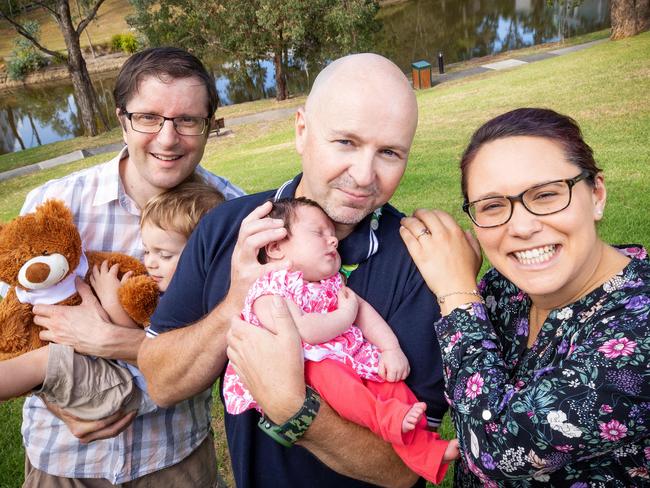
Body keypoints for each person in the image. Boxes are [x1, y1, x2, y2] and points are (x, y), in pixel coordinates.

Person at [139, 53, 448, 487]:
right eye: (345, 142)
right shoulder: (228, 227)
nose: (363, 175)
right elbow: (161, 382)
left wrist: (296, 414)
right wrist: (236, 303)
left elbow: (404, 471)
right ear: (302, 130)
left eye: (390, 152)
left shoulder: (421, 262)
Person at [11, 47, 244, 487]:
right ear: (122, 120)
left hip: (173, 460)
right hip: (63, 460)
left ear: (210, 125)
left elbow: (235, 342)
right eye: (149, 117)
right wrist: (68, 406)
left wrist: (116, 340)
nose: (168, 138)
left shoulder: (234, 216)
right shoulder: (52, 205)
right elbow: (11, 329)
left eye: (187, 120)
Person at [400, 107, 650, 486]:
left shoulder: (639, 327)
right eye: (493, 206)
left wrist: (456, 292)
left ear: (596, 194)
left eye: (547, 195)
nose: (521, 226)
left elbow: (494, 450)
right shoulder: (505, 291)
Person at [222, 197, 457, 483]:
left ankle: (426, 449)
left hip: (349, 358)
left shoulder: (329, 283)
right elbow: (305, 331)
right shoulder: (269, 290)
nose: (332, 241)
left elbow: (365, 313)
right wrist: (346, 314)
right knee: (342, 386)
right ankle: (388, 419)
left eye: (332, 234)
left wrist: (389, 348)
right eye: (318, 233)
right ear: (275, 247)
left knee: (392, 385)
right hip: (307, 368)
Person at [0, 181, 224, 420]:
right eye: (147, 251)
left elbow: (153, 349)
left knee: (43, 362)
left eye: (165, 255)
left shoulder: (189, 302)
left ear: (202, 254)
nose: (150, 263)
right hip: (112, 377)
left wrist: (112, 303)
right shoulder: (175, 288)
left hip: (130, 388)